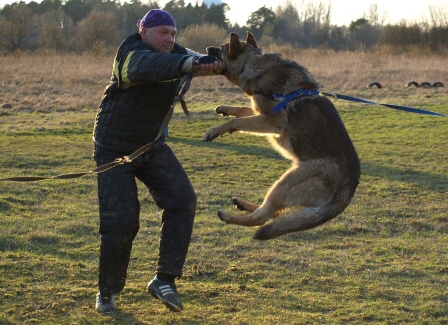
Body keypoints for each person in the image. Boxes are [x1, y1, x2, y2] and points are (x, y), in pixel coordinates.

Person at [92, 9, 222, 313]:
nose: (170, 38)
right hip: (114, 149)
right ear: (144, 32)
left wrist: (227, 62)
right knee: (122, 221)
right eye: (163, 32)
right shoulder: (130, 55)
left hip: (151, 146)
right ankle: (107, 292)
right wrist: (189, 63)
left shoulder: (175, 54)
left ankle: (164, 280)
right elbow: (147, 67)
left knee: (182, 199)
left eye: (173, 34)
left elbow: (198, 62)